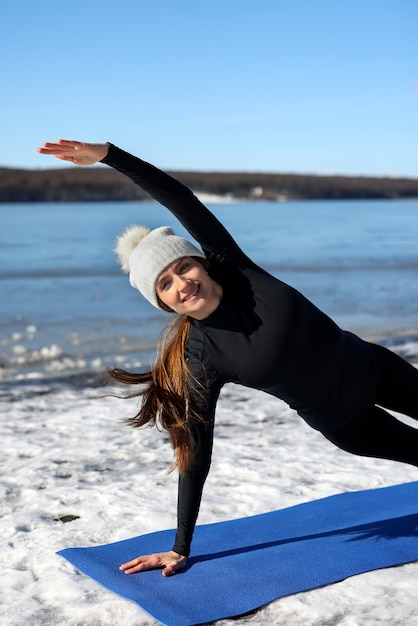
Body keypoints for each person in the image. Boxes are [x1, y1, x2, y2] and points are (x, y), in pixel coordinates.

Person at [37, 139, 418, 578]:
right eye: (166, 285)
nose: (182, 284)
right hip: (349, 423)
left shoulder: (239, 272)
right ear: (163, 303)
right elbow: (196, 452)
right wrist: (180, 546)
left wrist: (110, 156)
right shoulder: (201, 357)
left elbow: (180, 198)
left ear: (201, 263)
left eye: (184, 268)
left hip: (377, 367)